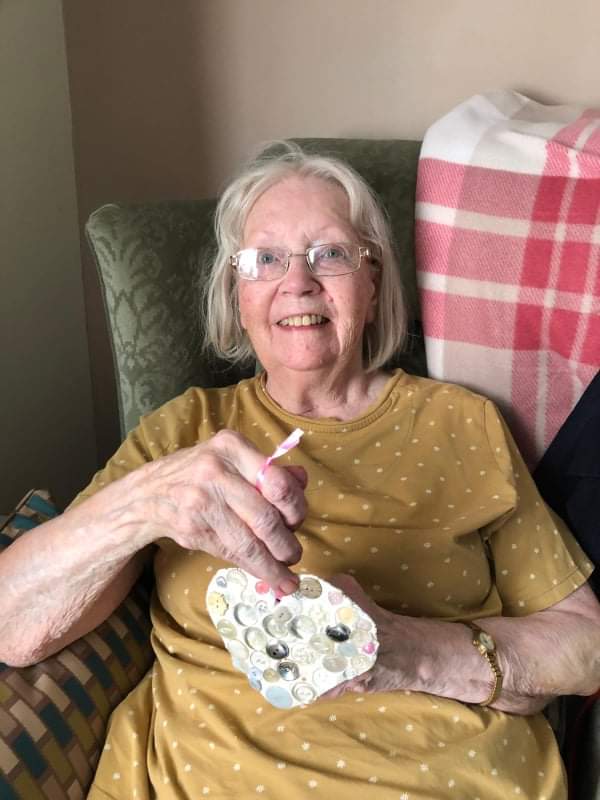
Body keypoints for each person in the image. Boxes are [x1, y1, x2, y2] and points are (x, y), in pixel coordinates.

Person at [2, 142, 599, 800]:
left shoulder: (463, 423)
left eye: (330, 253)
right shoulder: (185, 431)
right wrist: (146, 503)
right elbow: (12, 626)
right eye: (265, 259)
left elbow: (584, 643)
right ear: (237, 294)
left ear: (373, 283)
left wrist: (406, 651)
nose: (298, 282)